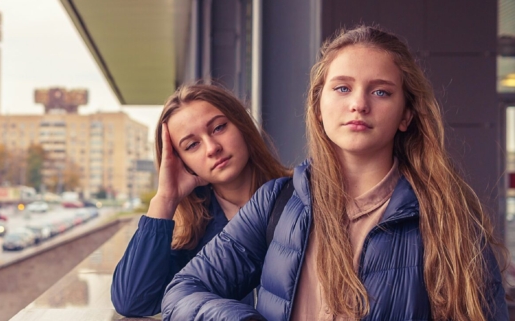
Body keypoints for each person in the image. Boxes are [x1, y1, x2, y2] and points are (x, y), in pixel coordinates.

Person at [162, 26, 508, 321]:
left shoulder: (449, 218)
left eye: (381, 91)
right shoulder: (278, 202)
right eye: (342, 88)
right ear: (318, 108)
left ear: (405, 116)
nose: (358, 103)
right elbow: (182, 291)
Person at [111, 84, 289, 317]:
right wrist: (165, 199)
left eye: (219, 128)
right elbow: (132, 301)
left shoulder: (299, 198)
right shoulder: (192, 237)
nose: (212, 148)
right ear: (182, 162)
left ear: (242, 125)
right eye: (192, 145)